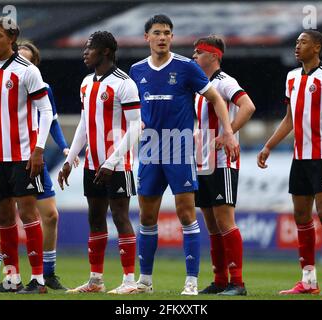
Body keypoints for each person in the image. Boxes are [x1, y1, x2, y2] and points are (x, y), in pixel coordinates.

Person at [129, 14, 239, 295]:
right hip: (150, 148)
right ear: (147, 38)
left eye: (167, 32)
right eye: (157, 32)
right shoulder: (136, 70)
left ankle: (191, 282)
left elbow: (215, 98)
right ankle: (145, 281)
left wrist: (227, 131)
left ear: (171, 37)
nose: (162, 37)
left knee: (186, 213)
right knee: (147, 216)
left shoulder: (187, 67)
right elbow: (130, 112)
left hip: (179, 147)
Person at [257, 30, 322, 297]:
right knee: (300, 216)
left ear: (317, 47)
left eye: (303, 42)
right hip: (299, 158)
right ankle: (308, 280)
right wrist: (268, 146)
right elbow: (289, 119)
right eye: (297, 42)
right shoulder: (291, 78)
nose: (297, 46)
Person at [0, 41, 80, 293]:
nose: (18, 60)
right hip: (4, 157)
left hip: (31, 157)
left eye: (25, 57)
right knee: (0, 216)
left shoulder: (42, 87)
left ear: (34, 64)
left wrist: (66, 147)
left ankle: (45, 274)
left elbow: (53, 121)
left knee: (49, 215)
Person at [0, 16, 53, 294]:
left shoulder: (27, 71)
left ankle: (38, 280)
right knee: (4, 217)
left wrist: (39, 148)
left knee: (28, 213)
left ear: (12, 38)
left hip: (24, 154)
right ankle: (12, 278)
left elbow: (46, 110)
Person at [58, 31, 142, 294]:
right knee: (95, 218)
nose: (85, 52)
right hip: (93, 164)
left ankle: (129, 281)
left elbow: (137, 126)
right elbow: (84, 123)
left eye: (89, 48)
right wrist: (71, 159)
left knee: (120, 216)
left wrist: (112, 161)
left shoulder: (124, 83)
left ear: (105, 52)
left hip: (117, 165)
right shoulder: (86, 82)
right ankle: (96, 280)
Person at [192, 36, 256, 296]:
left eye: (199, 52)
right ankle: (220, 280)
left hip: (222, 162)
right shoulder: (199, 86)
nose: (194, 56)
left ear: (214, 56)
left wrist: (230, 133)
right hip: (202, 162)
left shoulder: (224, 82)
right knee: (211, 225)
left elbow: (247, 106)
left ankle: (237, 283)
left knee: (225, 221)